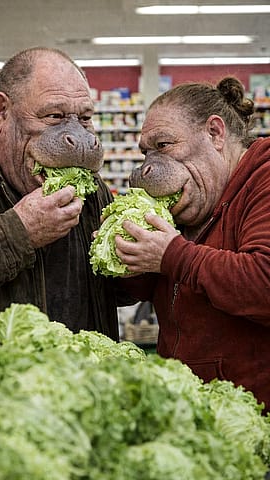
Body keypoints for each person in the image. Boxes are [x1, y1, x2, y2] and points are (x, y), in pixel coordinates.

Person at [0, 46, 133, 341]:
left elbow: (113, 291)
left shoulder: (88, 184)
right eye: (54, 115)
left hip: (73, 378)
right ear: (1, 112)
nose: (79, 137)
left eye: (84, 118)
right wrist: (18, 233)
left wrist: (139, 259)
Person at [115, 76, 270, 411]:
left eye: (164, 145)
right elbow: (154, 288)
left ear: (215, 133)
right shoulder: (192, 202)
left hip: (254, 417)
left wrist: (172, 254)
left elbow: (264, 282)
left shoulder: (264, 178)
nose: (150, 166)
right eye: (146, 152)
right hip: (194, 413)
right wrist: (128, 255)